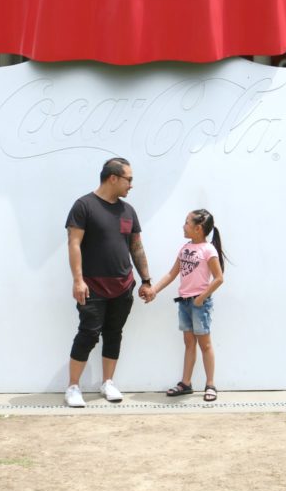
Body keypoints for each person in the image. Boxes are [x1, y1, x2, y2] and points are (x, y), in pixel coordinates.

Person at [64, 156, 153, 408]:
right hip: (92, 285)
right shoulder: (84, 206)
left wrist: (146, 280)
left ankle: (108, 382)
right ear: (113, 178)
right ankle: (72, 386)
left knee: (114, 334)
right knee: (88, 334)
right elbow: (74, 244)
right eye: (129, 179)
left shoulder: (128, 211)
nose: (131, 185)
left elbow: (136, 247)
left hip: (123, 285)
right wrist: (78, 280)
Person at [149, 209, 225, 402]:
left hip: (200, 303)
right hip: (184, 303)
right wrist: (154, 290)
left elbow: (218, 278)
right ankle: (186, 383)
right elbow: (171, 274)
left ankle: (210, 384)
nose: (183, 226)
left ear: (198, 228)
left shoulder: (208, 250)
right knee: (189, 343)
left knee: (205, 344)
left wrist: (202, 297)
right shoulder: (185, 249)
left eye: (186, 222)